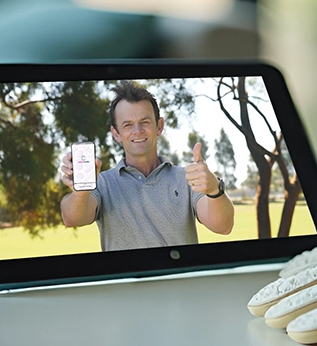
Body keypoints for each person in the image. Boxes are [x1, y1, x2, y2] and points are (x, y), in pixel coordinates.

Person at [59, 82, 235, 251]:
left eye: (145, 122)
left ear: (159, 126)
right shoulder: (103, 183)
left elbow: (223, 226)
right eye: (127, 124)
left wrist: (214, 190)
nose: (137, 131)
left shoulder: (186, 178)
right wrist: (81, 191)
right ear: (116, 134)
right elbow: (72, 218)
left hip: (179, 282)